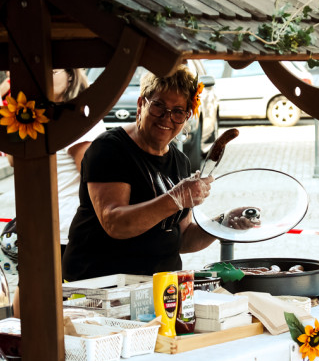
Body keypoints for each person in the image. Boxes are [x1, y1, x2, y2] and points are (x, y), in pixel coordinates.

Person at [62, 65, 216, 281]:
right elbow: (114, 223)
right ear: (141, 104)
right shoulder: (110, 149)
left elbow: (182, 239)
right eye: (158, 106)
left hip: (160, 287)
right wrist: (177, 198)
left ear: (187, 116)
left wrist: (222, 225)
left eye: (178, 111)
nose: (166, 118)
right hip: (101, 285)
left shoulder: (180, 161)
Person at [1, 69, 106, 316]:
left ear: (71, 75)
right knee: (30, 300)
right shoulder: (39, 114)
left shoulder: (76, 117)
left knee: (59, 307)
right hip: (41, 225)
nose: (44, 75)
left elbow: (91, 178)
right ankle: (21, 346)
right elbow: (14, 160)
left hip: (67, 230)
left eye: (54, 69)